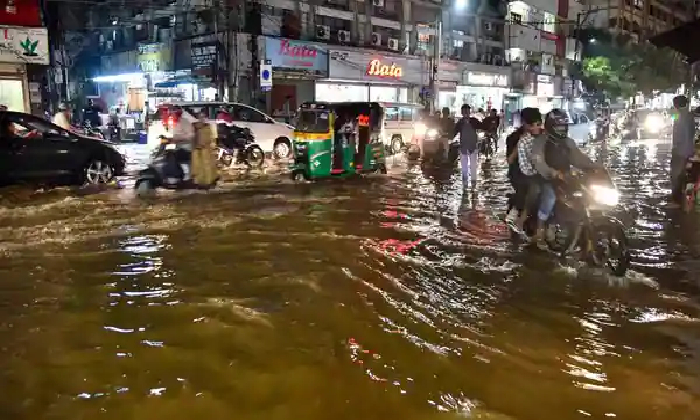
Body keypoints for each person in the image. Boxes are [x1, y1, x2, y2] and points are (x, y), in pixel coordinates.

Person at [513, 109, 599, 243]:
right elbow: (538, 161)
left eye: (564, 126)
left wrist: (596, 167)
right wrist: (553, 172)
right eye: (558, 126)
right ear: (550, 126)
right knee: (550, 197)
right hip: (545, 178)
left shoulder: (568, 142)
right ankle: (540, 229)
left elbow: (578, 158)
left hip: (565, 177)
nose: (562, 129)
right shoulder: (540, 142)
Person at [505, 108, 542, 220]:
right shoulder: (513, 138)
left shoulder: (543, 136)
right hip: (518, 174)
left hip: (539, 173)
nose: (534, 127)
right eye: (531, 124)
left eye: (538, 124)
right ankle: (516, 212)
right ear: (524, 123)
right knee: (528, 189)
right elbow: (510, 160)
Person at [670, 95, 696, 206]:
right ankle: (682, 198)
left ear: (676, 105)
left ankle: (676, 200)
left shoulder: (677, 114)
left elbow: (676, 131)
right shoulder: (690, 115)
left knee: (675, 175)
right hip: (689, 150)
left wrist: (675, 146)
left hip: (679, 150)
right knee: (684, 175)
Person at [453, 104, 482, 187]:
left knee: (473, 168)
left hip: (473, 147)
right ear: (462, 113)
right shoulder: (460, 123)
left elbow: (482, 126)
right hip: (463, 147)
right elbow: (454, 133)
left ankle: (473, 186)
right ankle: (465, 186)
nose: (466, 113)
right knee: (464, 169)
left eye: (467, 111)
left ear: (469, 112)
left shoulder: (474, 121)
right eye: (464, 111)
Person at [191, 111, 218, 188]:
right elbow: (192, 137)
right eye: (200, 117)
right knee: (197, 166)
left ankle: (208, 182)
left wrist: (211, 146)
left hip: (206, 149)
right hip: (197, 149)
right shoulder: (194, 126)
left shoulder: (208, 126)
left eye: (203, 117)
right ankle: (199, 183)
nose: (202, 118)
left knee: (207, 166)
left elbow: (212, 138)